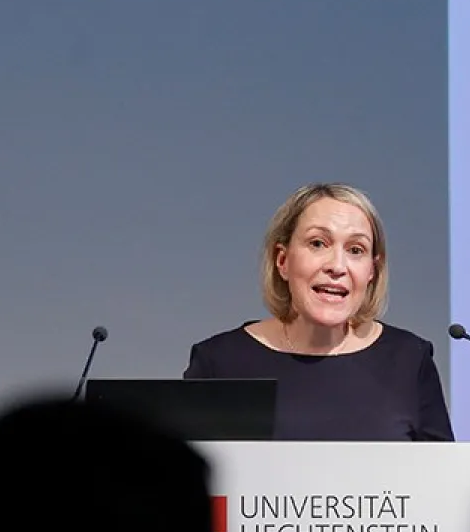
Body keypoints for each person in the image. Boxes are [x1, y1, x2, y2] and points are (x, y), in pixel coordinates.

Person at [184, 182, 453, 442]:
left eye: (355, 250)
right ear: (283, 260)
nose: (337, 266)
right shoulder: (218, 362)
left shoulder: (409, 359)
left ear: (372, 270)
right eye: (317, 243)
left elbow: (444, 481)